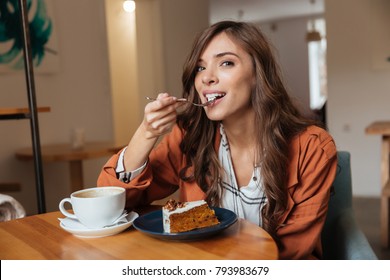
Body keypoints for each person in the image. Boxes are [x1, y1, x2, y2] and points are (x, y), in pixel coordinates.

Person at [98, 20, 337, 259]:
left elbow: (293, 252)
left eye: (226, 63)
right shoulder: (189, 137)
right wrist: (146, 133)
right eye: (200, 68)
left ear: (258, 74)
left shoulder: (313, 148)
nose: (206, 78)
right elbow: (113, 206)